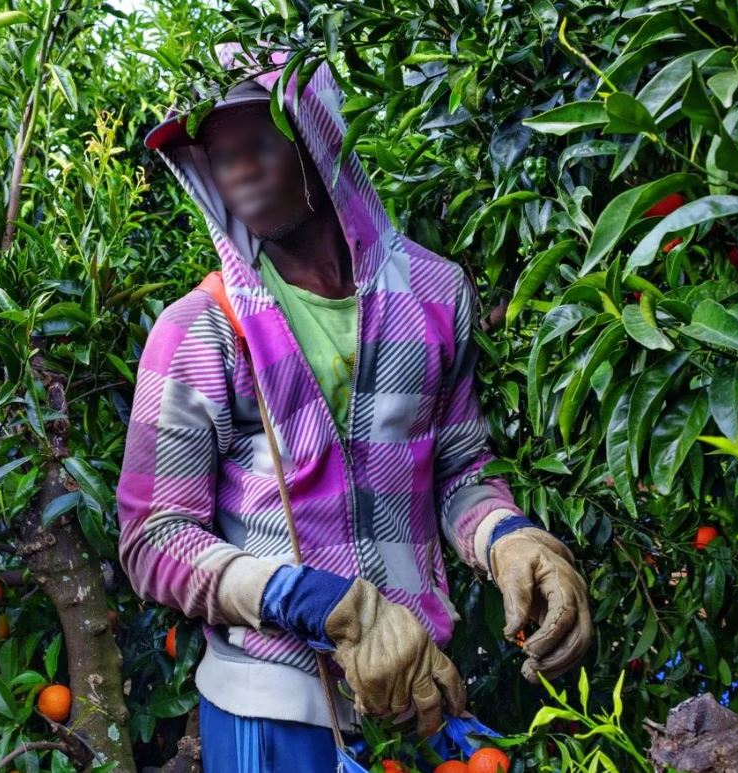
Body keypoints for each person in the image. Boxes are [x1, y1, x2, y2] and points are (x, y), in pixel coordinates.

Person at [116, 43, 591, 772]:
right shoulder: (201, 329)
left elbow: (458, 468)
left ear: (316, 137)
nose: (238, 169)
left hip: (416, 689)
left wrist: (509, 538)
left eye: (258, 142)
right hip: (273, 707)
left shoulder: (436, 296)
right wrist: (319, 602)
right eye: (219, 155)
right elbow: (156, 536)